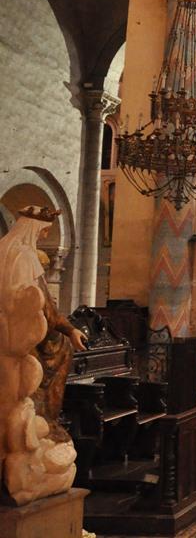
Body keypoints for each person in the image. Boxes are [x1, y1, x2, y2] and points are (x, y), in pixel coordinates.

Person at [0, 205, 80, 504]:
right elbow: (43, 305)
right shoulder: (26, 256)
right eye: (44, 232)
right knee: (60, 350)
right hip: (22, 339)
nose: (44, 236)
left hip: (6, 338)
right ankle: (46, 418)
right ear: (34, 228)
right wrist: (70, 329)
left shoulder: (3, 250)